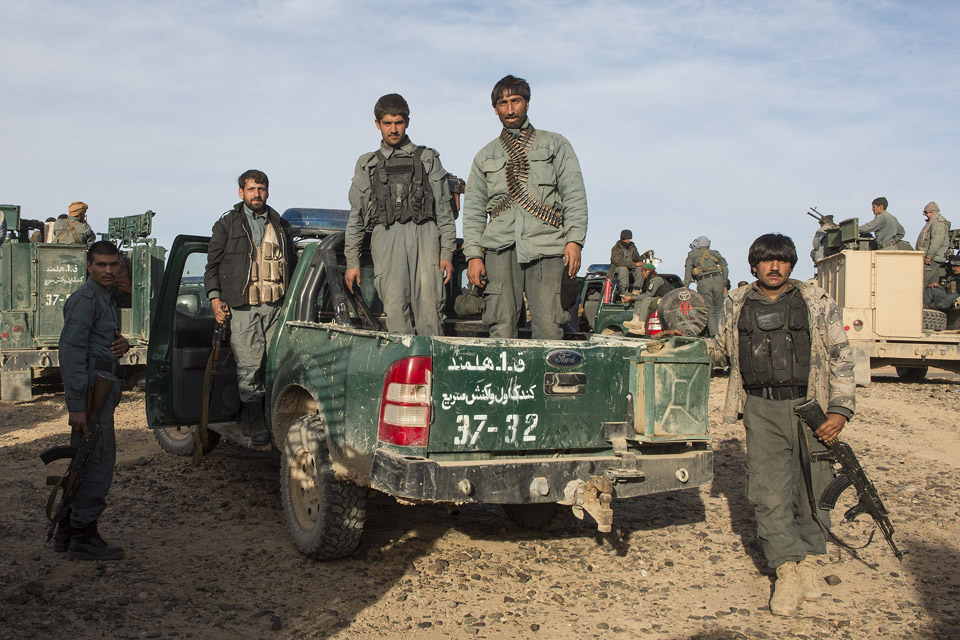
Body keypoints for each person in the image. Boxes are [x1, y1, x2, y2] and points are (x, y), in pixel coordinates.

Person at [670, 233, 854, 616]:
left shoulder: (816, 301)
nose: (775, 267)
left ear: (791, 264)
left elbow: (841, 356)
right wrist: (683, 343)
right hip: (761, 409)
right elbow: (720, 351)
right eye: (767, 261)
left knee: (813, 488)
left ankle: (806, 561)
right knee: (769, 492)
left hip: (812, 409)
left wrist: (839, 410)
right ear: (753, 265)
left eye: (782, 261)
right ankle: (786, 569)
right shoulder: (737, 303)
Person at [462, 74, 588, 339]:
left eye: (516, 101)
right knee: (500, 326)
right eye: (503, 103)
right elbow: (473, 210)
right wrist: (474, 255)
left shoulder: (555, 144)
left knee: (549, 326)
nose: (510, 109)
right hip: (499, 249)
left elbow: (574, 194)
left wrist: (574, 240)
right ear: (495, 109)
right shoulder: (485, 155)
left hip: (547, 246)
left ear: (527, 104)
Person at [344, 93, 456, 335]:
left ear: (407, 122)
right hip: (386, 239)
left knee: (430, 311)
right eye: (387, 123)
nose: (393, 129)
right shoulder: (368, 164)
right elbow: (356, 217)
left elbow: (444, 212)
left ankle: (432, 369)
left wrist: (446, 252)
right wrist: (352, 261)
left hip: (426, 240)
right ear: (377, 124)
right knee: (395, 311)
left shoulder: (428, 158)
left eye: (398, 122)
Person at [204, 170, 296, 446]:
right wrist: (214, 299)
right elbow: (212, 267)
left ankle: (272, 420)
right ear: (241, 192)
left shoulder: (281, 224)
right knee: (249, 366)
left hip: (276, 306)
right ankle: (254, 420)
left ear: (267, 191)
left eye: (262, 188)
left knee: (276, 365)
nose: (257, 193)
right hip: (243, 307)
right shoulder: (227, 225)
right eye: (251, 188)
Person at [56, 241, 130, 560]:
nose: (108, 270)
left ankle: (67, 532)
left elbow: (101, 342)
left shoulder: (104, 297)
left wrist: (122, 345)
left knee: (84, 460)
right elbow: (70, 353)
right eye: (101, 265)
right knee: (96, 461)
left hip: (100, 390)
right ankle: (84, 538)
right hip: (90, 396)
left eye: (113, 264)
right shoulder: (85, 299)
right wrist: (76, 406)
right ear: (89, 266)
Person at [683, 236, 728, 337]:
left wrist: (686, 285)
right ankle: (722, 335)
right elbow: (725, 267)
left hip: (704, 281)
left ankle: (714, 336)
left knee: (709, 309)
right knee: (719, 308)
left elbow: (688, 270)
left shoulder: (692, 254)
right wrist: (724, 281)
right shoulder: (715, 253)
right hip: (718, 280)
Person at [916, 202, 952, 288]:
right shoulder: (931, 223)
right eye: (926, 212)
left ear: (936, 212)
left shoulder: (938, 224)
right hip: (931, 258)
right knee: (931, 284)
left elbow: (936, 242)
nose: (928, 215)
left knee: (924, 282)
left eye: (930, 212)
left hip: (932, 259)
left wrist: (929, 256)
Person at [623, 262, 664, 335]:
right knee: (639, 300)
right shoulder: (649, 280)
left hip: (663, 299)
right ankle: (636, 321)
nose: (641, 274)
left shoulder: (656, 280)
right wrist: (634, 298)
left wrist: (631, 297)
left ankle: (642, 327)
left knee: (646, 300)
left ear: (647, 272)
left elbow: (648, 295)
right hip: (656, 298)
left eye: (642, 272)